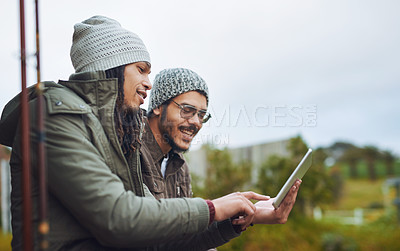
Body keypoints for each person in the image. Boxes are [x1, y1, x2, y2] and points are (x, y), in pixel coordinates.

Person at [0, 15, 297, 250]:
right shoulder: (52, 115)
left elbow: (158, 239)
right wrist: (213, 208)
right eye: (141, 69)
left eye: (202, 115)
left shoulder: (113, 134)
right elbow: (118, 217)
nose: (148, 83)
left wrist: (233, 220)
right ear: (112, 66)